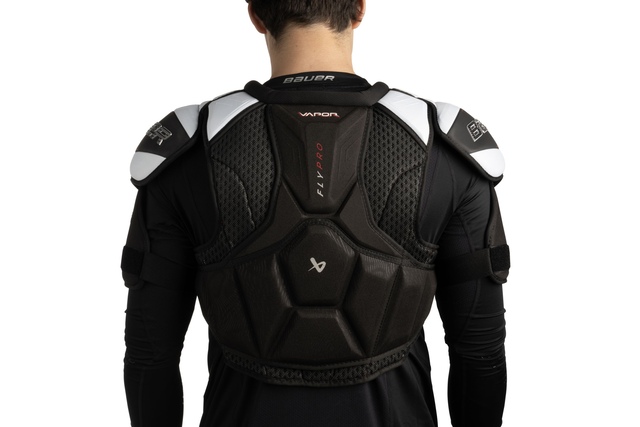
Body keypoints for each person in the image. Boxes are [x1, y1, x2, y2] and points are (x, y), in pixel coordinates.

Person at [121, 1, 510, 426]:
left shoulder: (190, 150)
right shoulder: (440, 148)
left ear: (256, 14)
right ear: (359, 9)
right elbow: (480, 351)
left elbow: (150, 354)